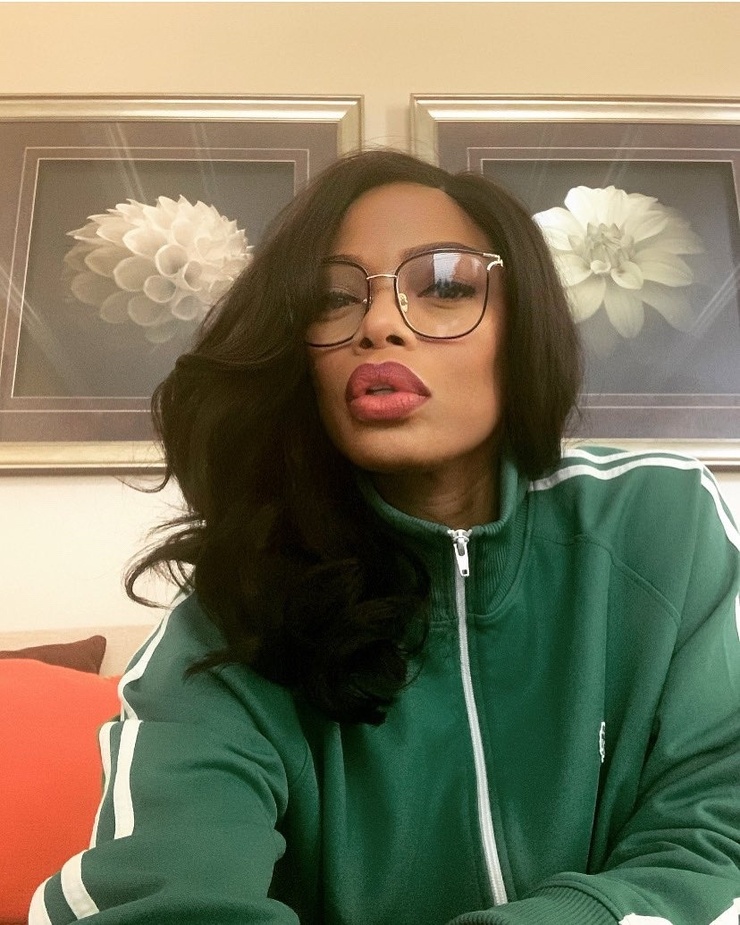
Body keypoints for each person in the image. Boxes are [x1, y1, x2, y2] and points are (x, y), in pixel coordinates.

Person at [31, 150, 739, 925]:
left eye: (445, 286)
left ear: (521, 323)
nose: (377, 324)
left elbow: (714, 839)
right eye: (332, 298)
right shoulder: (231, 618)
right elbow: (160, 900)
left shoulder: (662, 523)